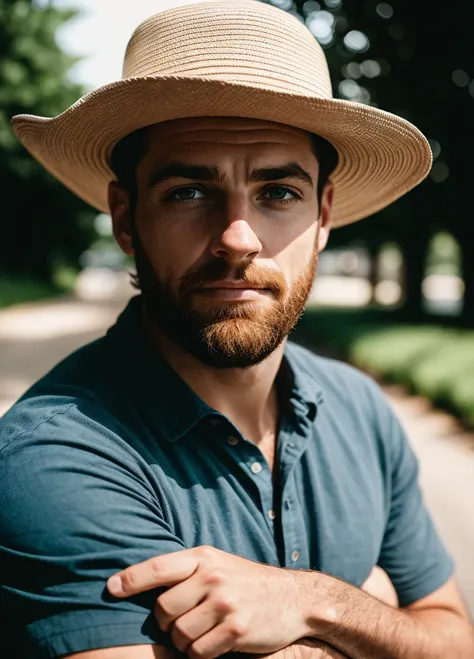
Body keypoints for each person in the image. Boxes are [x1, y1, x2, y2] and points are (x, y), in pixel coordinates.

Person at [1, 1, 473, 657]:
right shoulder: (49, 455)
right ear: (126, 216)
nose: (237, 238)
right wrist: (376, 614)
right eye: (189, 192)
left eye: (278, 192)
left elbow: (454, 635)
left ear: (323, 214)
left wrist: (315, 601)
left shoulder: (364, 413)